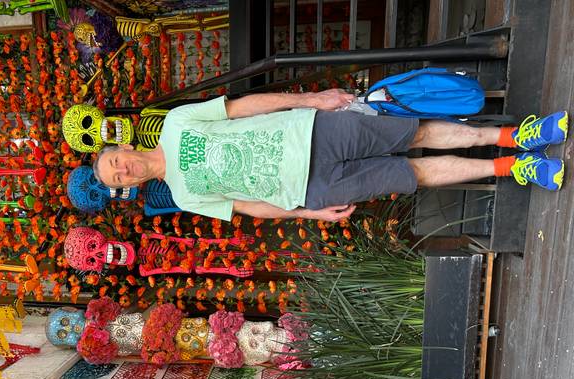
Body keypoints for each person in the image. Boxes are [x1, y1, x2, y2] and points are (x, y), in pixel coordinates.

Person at [92, 88, 568, 222]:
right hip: (312, 189)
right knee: (412, 173)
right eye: (118, 179)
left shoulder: (176, 124)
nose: (123, 170)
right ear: (127, 189)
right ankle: (516, 167)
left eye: (115, 161)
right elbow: (249, 208)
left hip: (313, 131)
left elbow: (241, 107)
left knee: (413, 131)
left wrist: (310, 99)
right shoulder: (185, 194)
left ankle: (516, 134)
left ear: (126, 147)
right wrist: (310, 215)